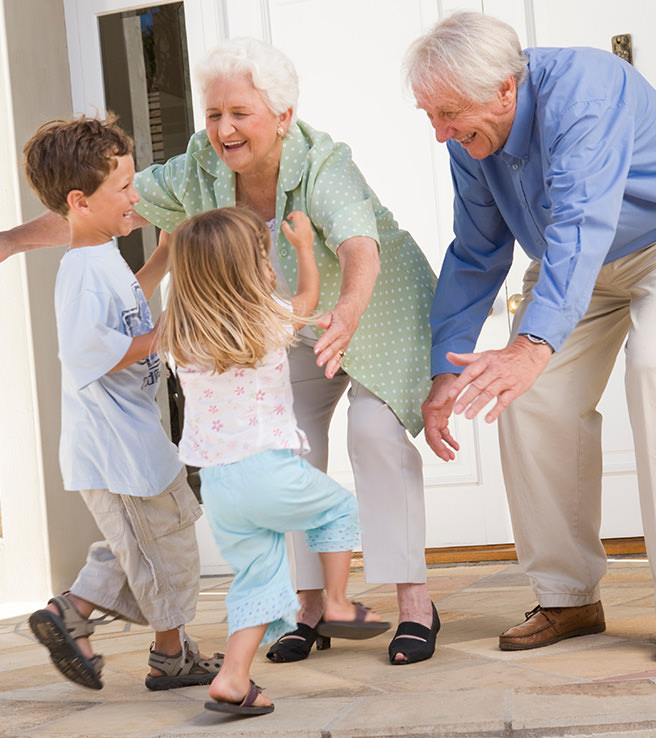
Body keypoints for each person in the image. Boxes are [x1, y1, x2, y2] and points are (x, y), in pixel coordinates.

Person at [0, 37, 440, 664]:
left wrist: (347, 310)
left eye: (240, 113)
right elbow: (96, 208)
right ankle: (308, 607)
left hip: (373, 314)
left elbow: (358, 240)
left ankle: (415, 605)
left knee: (373, 433)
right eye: (214, 114)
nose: (223, 129)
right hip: (282, 327)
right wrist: (10, 241)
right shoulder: (199, 167)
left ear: (283, 117)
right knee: (285, 449)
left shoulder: (324, 162)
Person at [406, 10, 656, 659]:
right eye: (429, 115)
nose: (440, 134)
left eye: (449, 113)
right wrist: (444, 371)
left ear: (505, 90)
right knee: (529, 398)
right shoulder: (470, 140)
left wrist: (529, 345)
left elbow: (580, 217)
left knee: (655, 367)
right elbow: (475, 252)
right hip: (575, 263)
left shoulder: (584, 87)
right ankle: (567, 597)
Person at [160, 205, 388, 716]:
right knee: (339, 512)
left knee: (257, 580)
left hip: (217, 486)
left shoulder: (181, 334)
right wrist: (305, 247)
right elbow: (308, 298)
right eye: (262, 258)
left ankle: (232, 679)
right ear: (246, 270)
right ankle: (335, 603)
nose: (269, 266)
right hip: (265, 468)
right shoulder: (264, 317)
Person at [22, 115, 223, 691]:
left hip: (134, 439)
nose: (136, 197)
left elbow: (123, 308)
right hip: (115, 450)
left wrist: (162, 258)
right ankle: (168, 656)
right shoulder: (82, 271)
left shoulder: (104, 256)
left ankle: (75, 612)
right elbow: (94, 350)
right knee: (160, 549)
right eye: (125, 189)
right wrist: (171, 329)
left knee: (156, 539)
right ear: (79, 201)